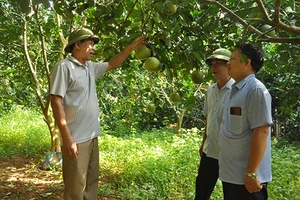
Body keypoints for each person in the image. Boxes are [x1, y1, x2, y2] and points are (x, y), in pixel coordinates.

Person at [50, 27, 147, 200]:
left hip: (92, 136)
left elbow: (112, 63)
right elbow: (56, 101)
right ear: (77, 44)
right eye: (90, 44)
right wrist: (68, 138)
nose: (94, 48)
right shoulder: (64, 67)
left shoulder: (90, 68)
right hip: (76, 138)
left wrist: (131, 48)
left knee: (91, 183)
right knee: (75, 187)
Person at [218, 43, 272, 200]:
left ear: (247, 62)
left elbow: (261, 132)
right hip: (232, 175)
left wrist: (251, 173)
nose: (228, 63)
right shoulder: (233, 91)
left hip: (247, 180)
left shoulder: (256, 90)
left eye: (233, 58)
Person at [194, 48, 235, 200]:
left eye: (218, 63)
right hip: (209, 152)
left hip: (228, 154)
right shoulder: (210, 90)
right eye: (212, 64)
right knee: (201, 193)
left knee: (231, 194)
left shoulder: (237, 91)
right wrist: (203, 143)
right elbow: (209, 118)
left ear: (229, 66)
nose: (214, 67)